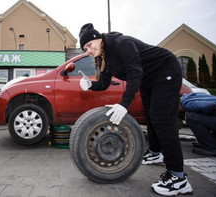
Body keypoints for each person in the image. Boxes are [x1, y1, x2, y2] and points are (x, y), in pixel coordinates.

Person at [78, 23, 192, 196]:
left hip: (165, 69)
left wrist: (124, 104)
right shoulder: (104, 57)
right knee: (151, 116)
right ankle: (155, 153)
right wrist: (90, 85)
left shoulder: (121, 44)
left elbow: (134, 73)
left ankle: (178, 178)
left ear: (98, 39)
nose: (88, 50)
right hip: (148, 80)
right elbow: (104, 83)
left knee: (162, 120)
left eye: (89, 45)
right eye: (85, 48)